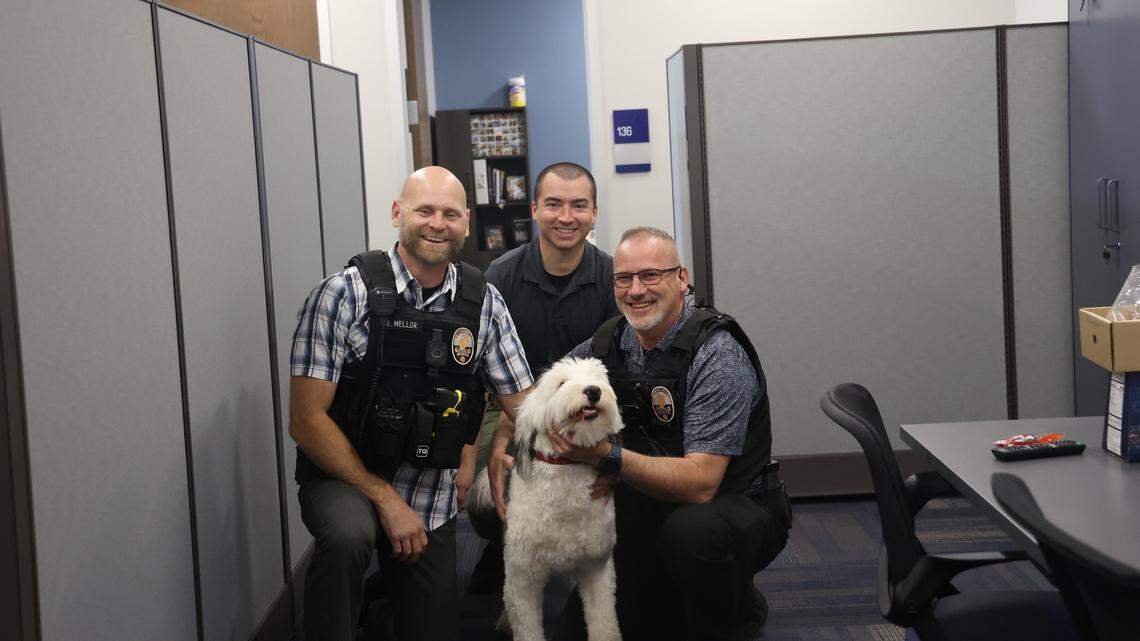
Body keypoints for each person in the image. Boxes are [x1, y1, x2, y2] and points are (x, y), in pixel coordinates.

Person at [489, 226, 791, 641]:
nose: (636, 290)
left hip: (734, 507)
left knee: (692, 536)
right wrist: (502, 440)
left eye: (651, 275)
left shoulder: (717, 354)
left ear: (681, 278)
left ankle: (737, 610)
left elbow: (702, 484)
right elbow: (545, 394)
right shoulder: (609, 342)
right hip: (651, 501)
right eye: (623, 278)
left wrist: (607, 458)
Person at [288, 166, 533, 641]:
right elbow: (305, 420)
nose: (437, 224)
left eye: (450, 214)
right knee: (348, 537)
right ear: (397, 213)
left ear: (466, 222)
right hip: (346, 477)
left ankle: (382, 610)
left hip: (429, 493)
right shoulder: (342, 295)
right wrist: (384, 498)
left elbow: (524, 406)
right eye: (424, 211)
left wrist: (591, 453)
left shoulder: (484, 304)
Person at [467, 161, 619, 592]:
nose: (566, 217)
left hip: (589, 413)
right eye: (553, 204)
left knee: (611, 477)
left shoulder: (613, 279)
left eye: (579, 205)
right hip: (511, 414)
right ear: (534, 209)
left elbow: (620, 377)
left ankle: (585, 560)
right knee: (486, 495)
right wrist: (500, 438)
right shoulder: (500, 277)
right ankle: (507, 546)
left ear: (594, 213)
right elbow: (481, 376)